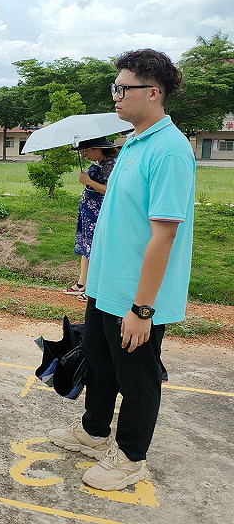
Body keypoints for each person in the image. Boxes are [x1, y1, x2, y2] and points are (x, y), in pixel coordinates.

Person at [49, 48, 194, 491]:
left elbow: (164, 235)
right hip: (107, 287)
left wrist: (143, 309)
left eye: (121, 88)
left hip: (137, 296)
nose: (114, 96)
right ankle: (95, 432)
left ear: (153, 92)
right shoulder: (133, 141)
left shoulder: (169, 150)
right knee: (101, 362)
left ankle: (132, 456)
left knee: (139, 377)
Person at [63, 138, 118, 302]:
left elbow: (110, 190)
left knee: (96, 248)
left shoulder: (110, 164)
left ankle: (94, 288)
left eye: (87, 150)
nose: (85, 154)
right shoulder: (98, 162)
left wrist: (88, 181)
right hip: (89, 212)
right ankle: (82, 283)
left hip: (99, 212)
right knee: (87, 246)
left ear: (98, 149)